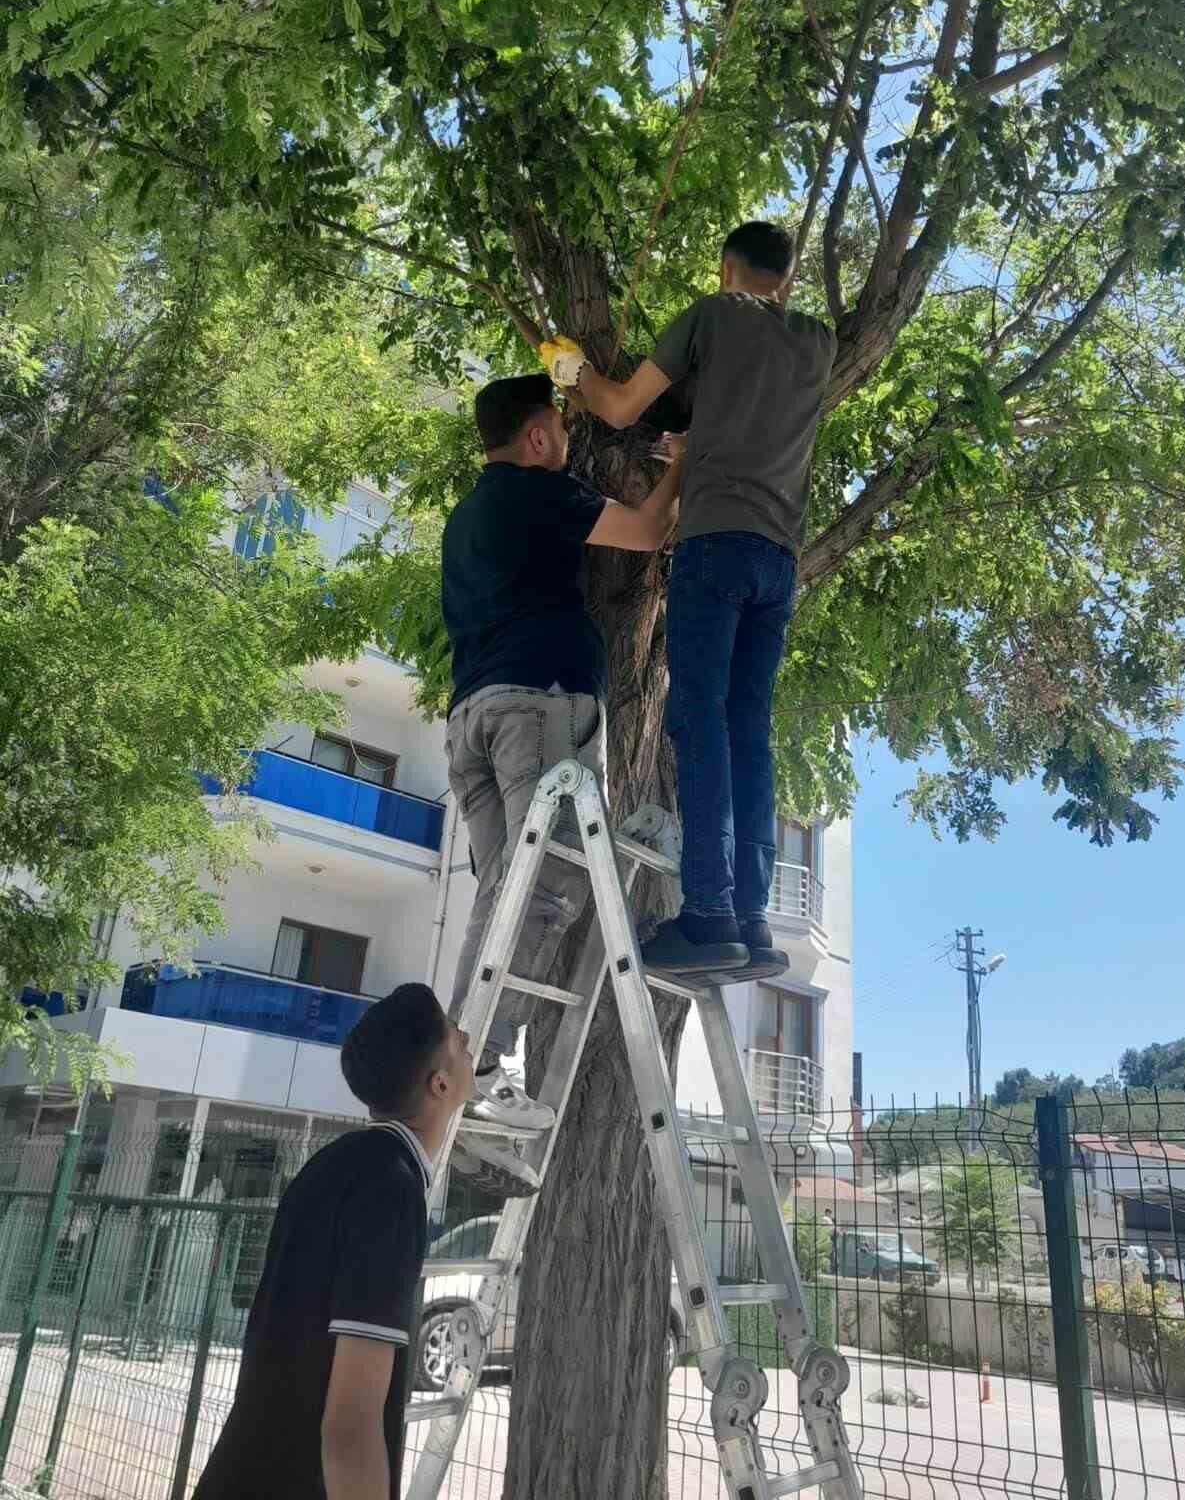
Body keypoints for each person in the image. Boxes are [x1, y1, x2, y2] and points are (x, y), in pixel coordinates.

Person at [540, 221, 837, 979]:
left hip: (715, 546)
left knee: (696, 719)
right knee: (748, 733)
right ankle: (750, 922)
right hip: (779, 559)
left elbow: (616, 408)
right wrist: (694, 443)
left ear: (726, 267)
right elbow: (746, 410)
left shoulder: (713, 314)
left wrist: (569, 369)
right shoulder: (818, 343)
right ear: (788, 277)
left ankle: (706, 915)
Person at [440, 371, 711, 1198]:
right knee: (551, 889)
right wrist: (684, 461)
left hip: (473, 719)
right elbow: (648, 529)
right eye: (558, 428)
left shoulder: (468, 515)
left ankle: (458, 1076)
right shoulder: (538, 493)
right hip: (538, 706)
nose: (565, 440)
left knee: (501, 895)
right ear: (534, 439)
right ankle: (480, 1072)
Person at [192, 983, 474, 1500]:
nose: (469, 1038)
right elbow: (350, 1425)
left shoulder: (334, 1163)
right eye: (458, 1040)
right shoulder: (392, 1189)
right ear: (439, 1085)